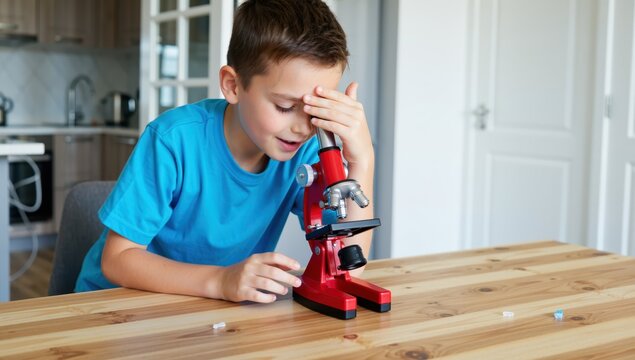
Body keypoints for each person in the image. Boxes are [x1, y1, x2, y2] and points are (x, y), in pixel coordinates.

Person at [75, 0, 376, 304]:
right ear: (232, 85)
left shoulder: (304, 150)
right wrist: (220, 281)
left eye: (315, 111)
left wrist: (362, 160)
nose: (303, 127)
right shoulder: (173, 140)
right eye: (285, 107)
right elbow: (117, 260)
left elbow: (348, 266)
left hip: (202, 308)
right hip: (114, 306)